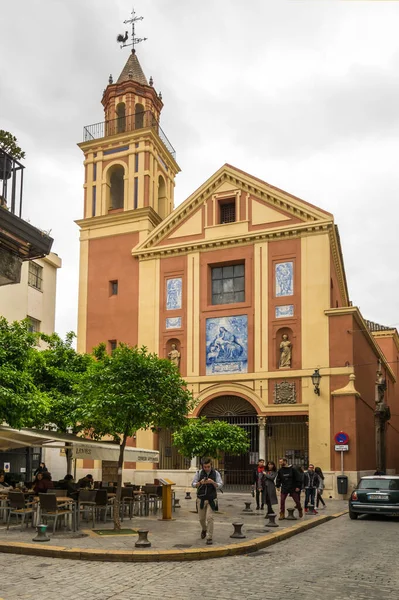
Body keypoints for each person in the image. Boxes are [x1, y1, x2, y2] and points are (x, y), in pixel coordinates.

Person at [191, 458, 223, 546]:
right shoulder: (198, 473)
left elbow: (220, 485)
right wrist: (200, 483)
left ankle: (209, 537)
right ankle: (204, 529)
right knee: (201, 519)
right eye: (205, 467)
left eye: (208, 466)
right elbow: (193, 484)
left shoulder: (216, 473)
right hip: (201, 499)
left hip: (211, 499)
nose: (207, 468)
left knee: (210, 518)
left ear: (211, 465)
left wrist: (213, 482)